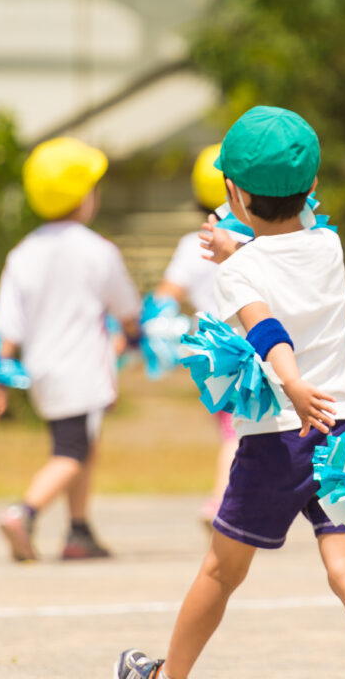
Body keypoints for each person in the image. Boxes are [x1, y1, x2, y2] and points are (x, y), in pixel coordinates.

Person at [115, 106, 345, 679]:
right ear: (313, 185)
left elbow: (267, 323)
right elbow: (285, 263)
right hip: (342, 431)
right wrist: (238, 250)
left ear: (233, 192)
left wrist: (290, 382)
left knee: (221, 572)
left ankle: (168, 676)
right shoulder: (329, 247)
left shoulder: (235, 274)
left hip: (278, 439)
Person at [0, 137, 141, 562]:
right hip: (84, 371)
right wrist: (137, 333)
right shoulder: (99, 250)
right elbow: (128, 311)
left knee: (77, 445)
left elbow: (7, 328)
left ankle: (79, 530)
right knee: (74, 452)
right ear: (83, 196)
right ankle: (25, 512)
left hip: (41, 372)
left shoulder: (23, 253)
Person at [154, 144, 240, 524]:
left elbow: (163, 299)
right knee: (239, 431)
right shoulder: (251, 241)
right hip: (244, 347)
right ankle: (220, 502)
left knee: (236, 428)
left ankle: (234, 500)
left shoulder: (192, 245)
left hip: (206, 352)